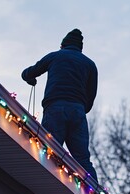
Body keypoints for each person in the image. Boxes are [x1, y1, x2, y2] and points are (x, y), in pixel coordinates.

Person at [21, 29, 98, 183]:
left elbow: (29, 72)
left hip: (55, 109)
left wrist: (29, 78)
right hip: (78, 111)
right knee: (82, 159)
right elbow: (91, 94)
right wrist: (81, 109)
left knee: (48, 151)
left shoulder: (55, 56)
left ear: (63, 45)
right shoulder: (90, 64)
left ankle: (41, 185)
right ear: (80, 48)